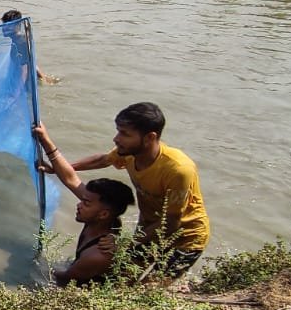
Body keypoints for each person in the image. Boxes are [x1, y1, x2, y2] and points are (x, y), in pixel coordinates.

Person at [66, 102, 210, 278]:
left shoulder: (178, 170)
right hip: (150, 229)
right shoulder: (129, 153)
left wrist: (126, 243)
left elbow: (172, 222)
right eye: (118, 131)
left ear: (149, 137)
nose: (116, 138)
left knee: (149, 288)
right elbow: (103, 160)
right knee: (121, 279)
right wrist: (63, 167)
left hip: (186, 237)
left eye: (125, 134)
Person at [33, 123, 134, 285]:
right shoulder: (107, 221)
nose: (79, 204)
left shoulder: (97, 255)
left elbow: (62, 278)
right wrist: (45, 140)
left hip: (86, 288)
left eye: (85, 203)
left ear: (103, 214)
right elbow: (71, 179)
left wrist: (33, 268)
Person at [1, 10, 59, 85]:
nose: (3, 28)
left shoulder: (21, 42)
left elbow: (25, 68)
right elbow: (30, 62)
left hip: (25, 81)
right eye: (3, 25)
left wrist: (17, 93)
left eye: (8, 25)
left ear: (18, 25)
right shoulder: (17, 40)